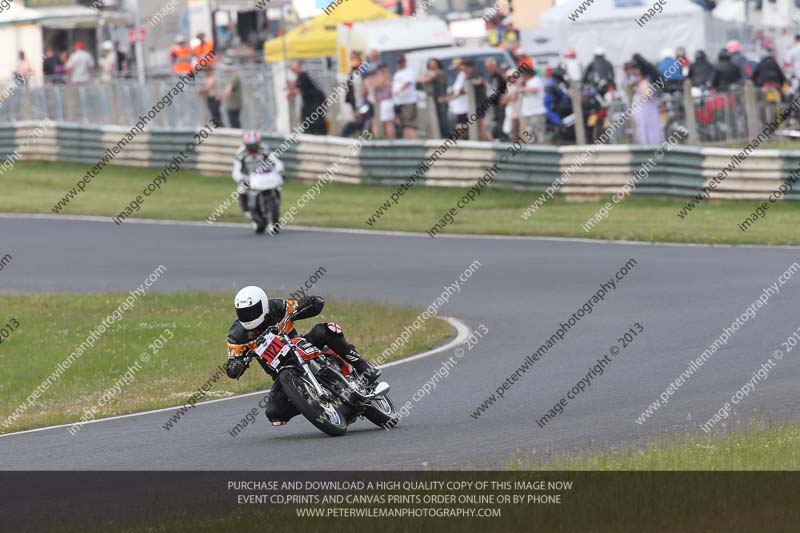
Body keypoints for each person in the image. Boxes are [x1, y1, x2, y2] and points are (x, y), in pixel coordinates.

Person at [224, 286, 382, 425]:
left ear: (263, 306)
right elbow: (232, 365)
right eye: (244, 313)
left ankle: (364, 367)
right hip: (282, 373)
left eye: (252, 311)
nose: (249, 316)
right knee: (274, 412)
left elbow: (315, 303)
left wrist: (308, 304)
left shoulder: (277, 307)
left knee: (326, 329)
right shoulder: (236, 335)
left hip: (301, 345)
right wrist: (236, 365)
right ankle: (314, 405)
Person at [232, 132, 284, 227]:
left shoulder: (264, 149)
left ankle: (276, 204)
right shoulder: (240, 153)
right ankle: (248, 211)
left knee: (278, 187)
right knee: (241, 190)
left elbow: (276, 161)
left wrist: (279, 170)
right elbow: (236, 170)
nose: (253, 147)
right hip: (249, 177)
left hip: (265, 175)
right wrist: (241, 178)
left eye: (255, 145)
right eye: (250, 145)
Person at [287, 61, 327, 135]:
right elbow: (296, 85)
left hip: (316, 101)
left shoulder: (304, 76)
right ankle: (310, 133)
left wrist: (290, 92)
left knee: (316, 120)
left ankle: (318, 134)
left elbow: (296, 91)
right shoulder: (301, 76)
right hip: (310, 101)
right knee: (306, 117)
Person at [631, 66, 664, 146]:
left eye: (638, 74)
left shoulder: (645, 83)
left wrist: (639, 90)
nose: (636, 76)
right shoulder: (641, 83)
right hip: (643, 119)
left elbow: (649, 95)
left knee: (651, 137)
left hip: (648, 117)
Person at [419, 58, 448, 137]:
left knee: (442, 120)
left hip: (441, 98)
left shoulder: (440, 72)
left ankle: (444, 135)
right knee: (435, 119)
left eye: (434, 64)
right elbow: (420, 79)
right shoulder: (429, 72)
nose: (432, 66)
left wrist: (426, 77)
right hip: (433, 99)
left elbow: (428, 78)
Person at [392, 54, 418, 139]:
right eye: (398, 63)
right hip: (399, 102)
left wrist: (399, 90)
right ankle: (408, 141)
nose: (399, 64)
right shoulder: (397, 73)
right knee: (403, 125)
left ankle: (414, 142)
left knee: (409, 124)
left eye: (401, 62)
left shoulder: (409, 72)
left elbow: (408, 82)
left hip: (408, 102)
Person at [465, 60, 491, 141]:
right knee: (478, 125)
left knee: (482, 126)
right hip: (477, 103)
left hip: (481, 103)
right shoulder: (470, 75)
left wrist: (471, 82)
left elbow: (479, 81)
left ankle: (487, 141)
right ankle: (483, 141)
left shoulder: (475, 73)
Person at [520, 66, 546, 143]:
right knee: (530, 136)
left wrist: (522, 89)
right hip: (528, 112)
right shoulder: (527, 82)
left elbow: (534, 89)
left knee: (539, 135)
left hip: (536, 112)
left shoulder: (536, 80)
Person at [444, 59, 469, 138]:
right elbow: (455, 89)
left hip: (464, 106)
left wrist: (450, 98)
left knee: (462, 124)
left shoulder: (464, 75)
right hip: (459, 107)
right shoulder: (459, 76)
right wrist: (447, 96)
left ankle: (464, 139)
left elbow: (461, 91)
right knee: (460, 124)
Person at [485, 59, 508, 140]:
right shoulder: (492, 76)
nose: (489, 69)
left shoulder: (499, 76)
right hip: (494, 103)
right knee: (496, 120)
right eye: (487, 67)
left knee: (500, 120)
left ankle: (502, 136)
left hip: (500, 102)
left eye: (490, 67)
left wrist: (503, 98)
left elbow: (505, 88)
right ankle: (499, 136)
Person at [374, 63, 396, 139]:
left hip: (386, 101)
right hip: (388, 101)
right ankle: (389, 138)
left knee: (388, 123)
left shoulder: (384, 76)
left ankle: (391, 139)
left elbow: (377, 85)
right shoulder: (388, 76)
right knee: (387, 122)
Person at [222, 58, 243, 129]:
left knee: (234, 122)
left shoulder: (233, 76)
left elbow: (229, 89)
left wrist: (224, 96)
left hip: (233, 105)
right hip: (232, 104)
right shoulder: (231, 76)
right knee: (234, 122)